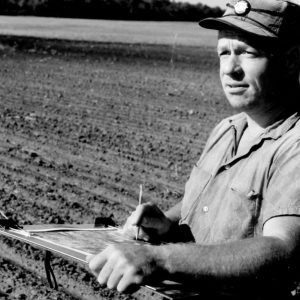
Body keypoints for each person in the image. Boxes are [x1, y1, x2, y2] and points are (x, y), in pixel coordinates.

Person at [87, 0, 300, 298]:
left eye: (247, 53)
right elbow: (209, 204)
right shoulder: (228, 128)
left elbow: (281, 248)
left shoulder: (295, 144)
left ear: (291, 60)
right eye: (223, 53)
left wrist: (160, 258)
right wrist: (168, 223)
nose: (229, 69)